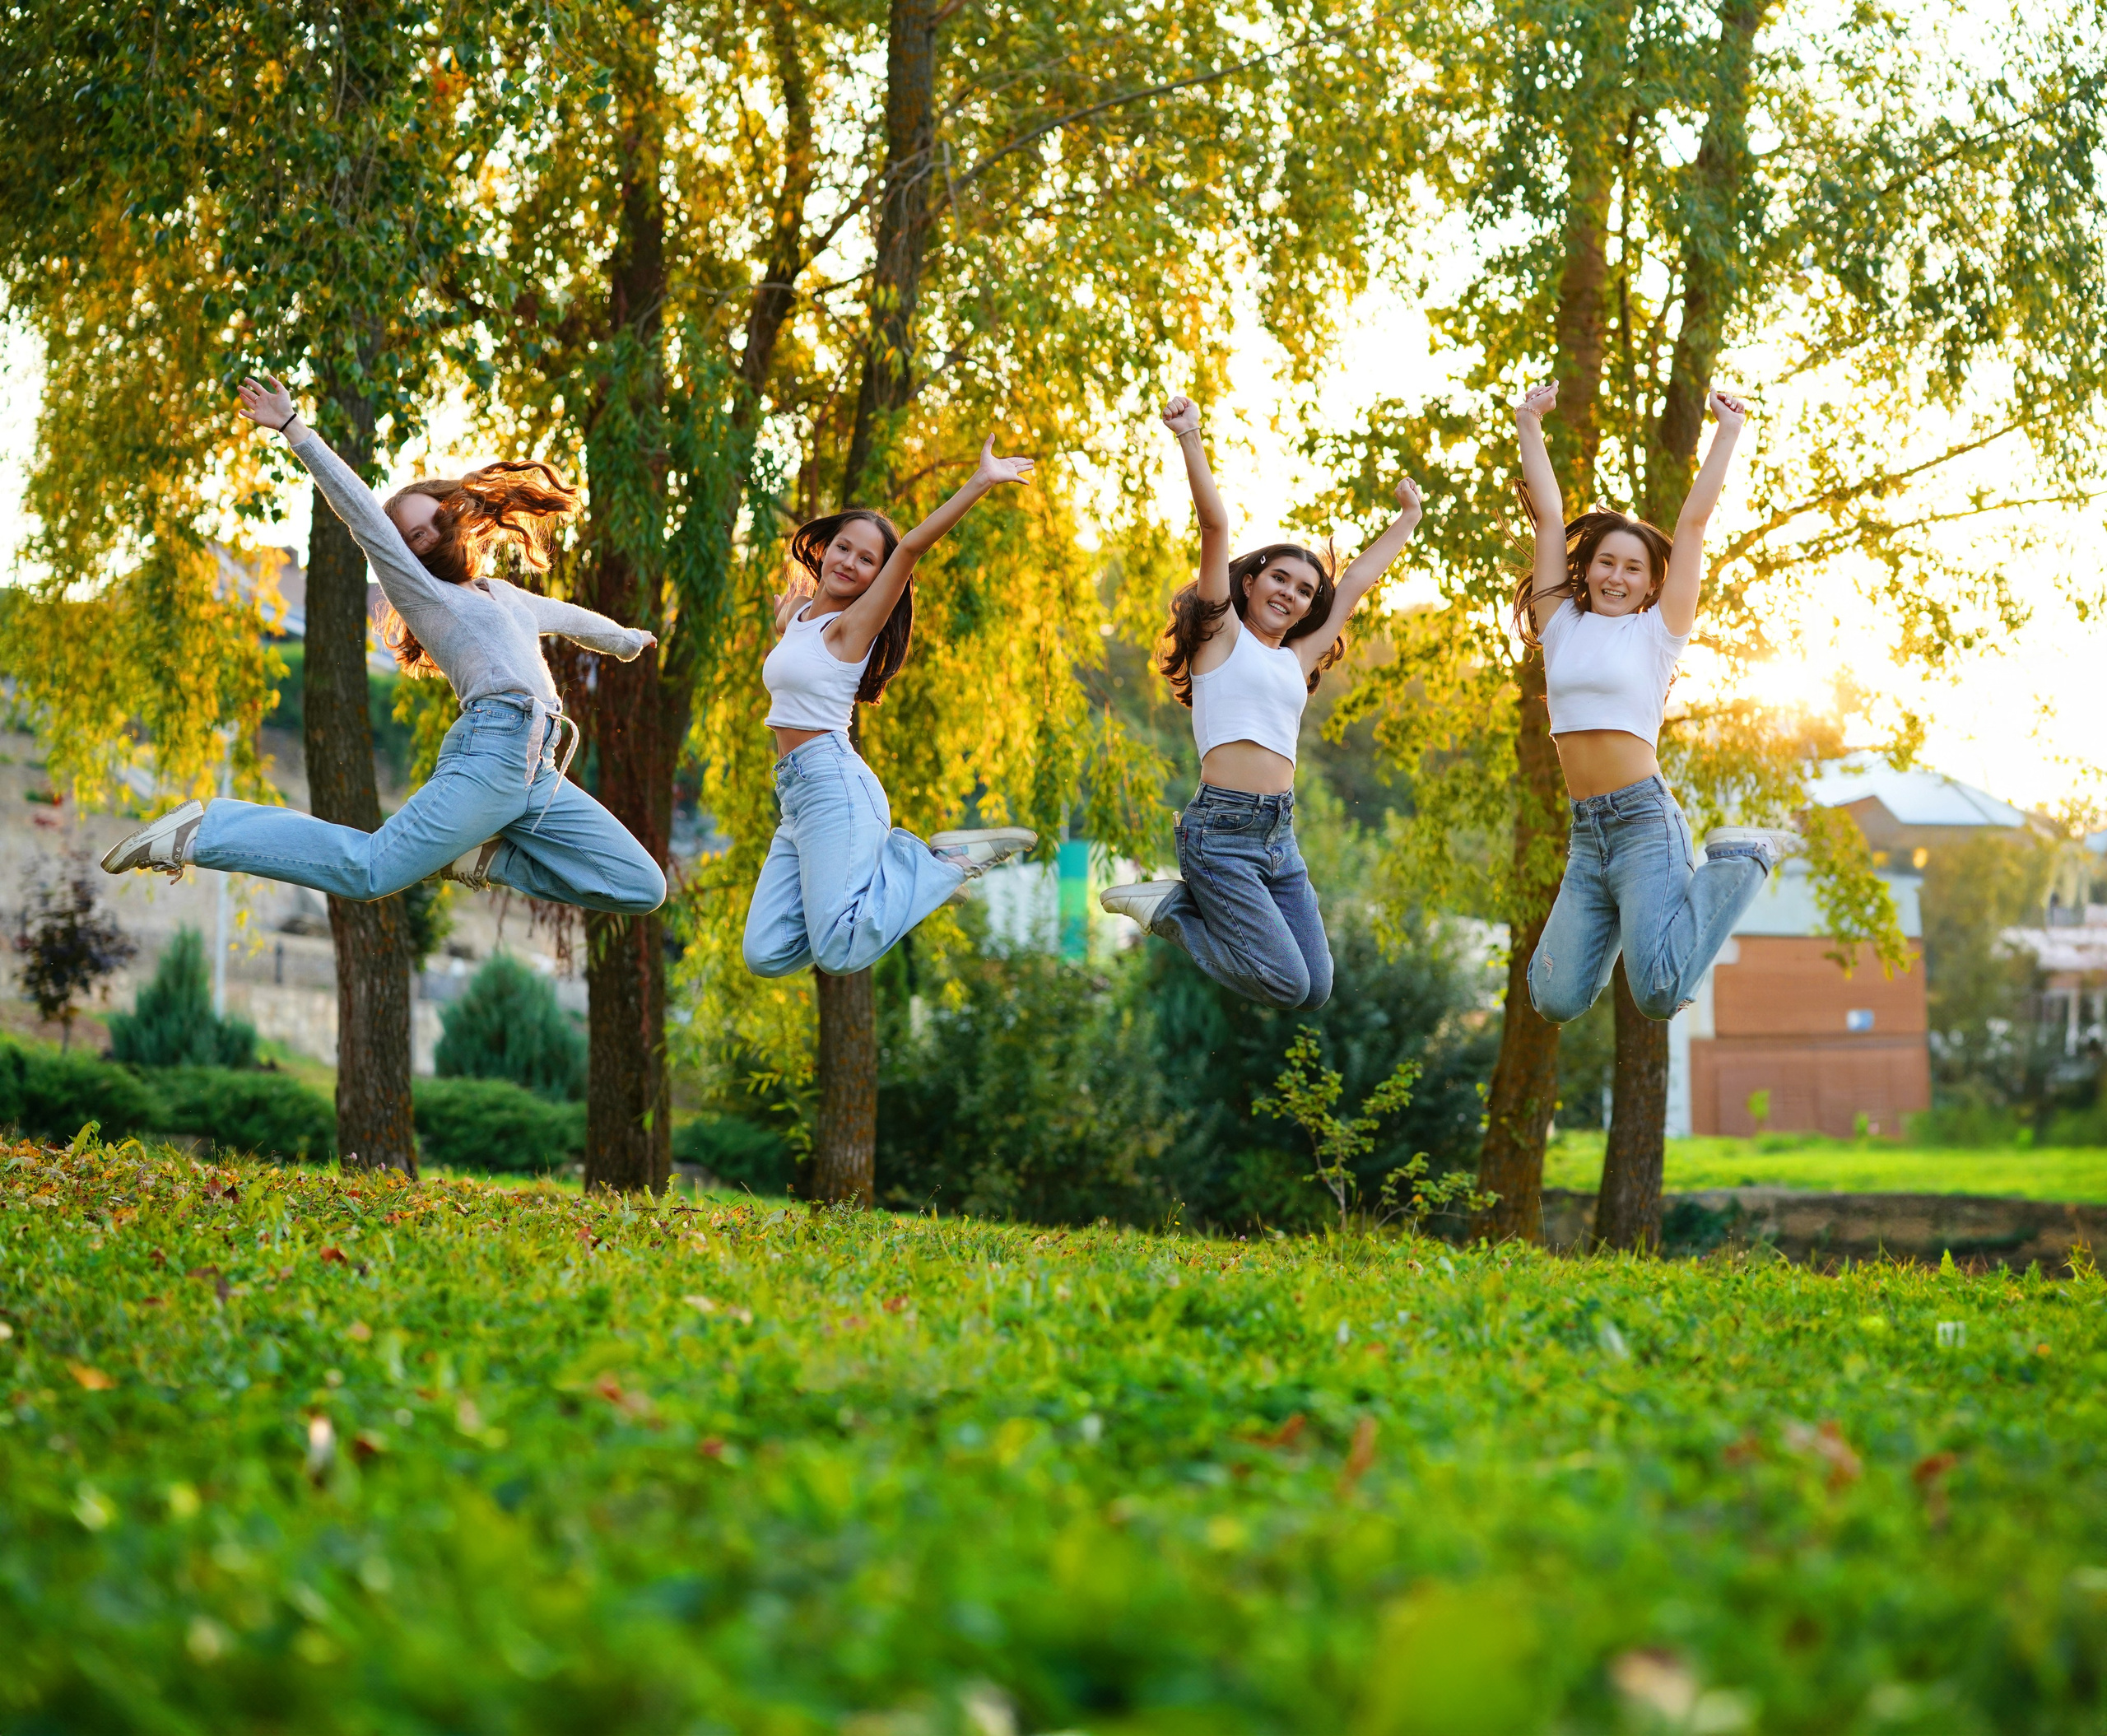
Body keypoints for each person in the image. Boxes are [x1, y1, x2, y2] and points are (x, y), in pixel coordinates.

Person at [100, 374, 667, 915]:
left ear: (457, 518)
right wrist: (296, 427)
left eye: (435, 522)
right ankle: (204, 833)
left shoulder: (500, 593)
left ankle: (489, 858)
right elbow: (362, 513)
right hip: (489, 754)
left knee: (640, 885)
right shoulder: (423, 594)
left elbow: (564, 615)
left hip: (538, 770)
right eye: (415, 537)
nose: (429, 536)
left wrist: (623, 641)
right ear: (408, 555)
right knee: (369, 870)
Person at [1098, 394, 1423, 1008]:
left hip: (1280, 833)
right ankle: (1173, 912)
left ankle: (1187, 907)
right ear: (1250, 582)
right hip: (1218, 830)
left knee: (1317, 988)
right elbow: (1215, 526)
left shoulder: (1295, 660)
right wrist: (1190, 435)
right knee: (1286, 981)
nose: (1291, 594)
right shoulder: (1219, 637)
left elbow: (1355, 581)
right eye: (1280, 578)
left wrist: (1408, 519)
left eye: (1304, 591)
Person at [1514, 379, 1798, 1026]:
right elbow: (1550, 517)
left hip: (1645, 825)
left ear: (1650, 584)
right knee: (1553, 1000)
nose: (1617, 575)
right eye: (1606, 562)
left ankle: (1742, 858)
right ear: (1585, 571)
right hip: (1589, 834)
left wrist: (1727, 431)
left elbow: (1693, 523)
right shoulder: (1559, 623)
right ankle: (1620, 914)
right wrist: (1530, 423)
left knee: (1660, 992)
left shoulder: (1657, 633)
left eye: (1633, 568)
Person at [742, 437, 1041, 980]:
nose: (850, 562)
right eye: (843, 548)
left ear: (878, 575)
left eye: (866, 559)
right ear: (825, 548)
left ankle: (933, 865)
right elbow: (790, 648)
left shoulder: (851, 630)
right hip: (795, 795)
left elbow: (910, 549)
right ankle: (873, 891)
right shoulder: (802, 617)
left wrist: (979, 481)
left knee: (838, 952)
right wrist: (781, 620)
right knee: (764, 952)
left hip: (835, 786)